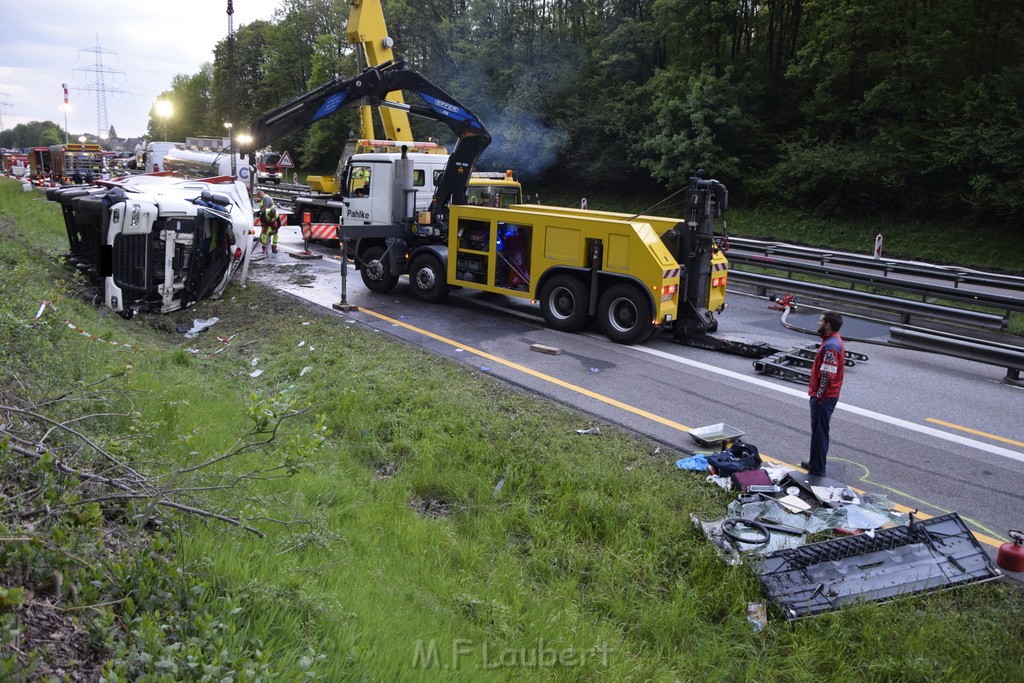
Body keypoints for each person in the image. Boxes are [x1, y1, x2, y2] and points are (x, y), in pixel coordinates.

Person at [802, 310, 845, 477]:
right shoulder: (831, 341)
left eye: (820, 321)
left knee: (820, 434)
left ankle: (817, 470)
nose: (817, 323)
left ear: (827, 325)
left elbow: (827, 375)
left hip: (824, 397)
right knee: (818, 432)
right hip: (826, 396)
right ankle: (815, 463)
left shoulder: (831, 346)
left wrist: (819, 397)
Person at [254, 190, 280, 254]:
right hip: (266, 221)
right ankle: (264, 249)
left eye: (259, 196)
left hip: (272, 222)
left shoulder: (276, 215)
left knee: (275, 234)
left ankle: (274, 248)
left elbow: (279, 224)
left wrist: (275, 229)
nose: (260, 198)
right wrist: (263, 224)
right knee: (264, 234)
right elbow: (261, 217)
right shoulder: (265, 212)